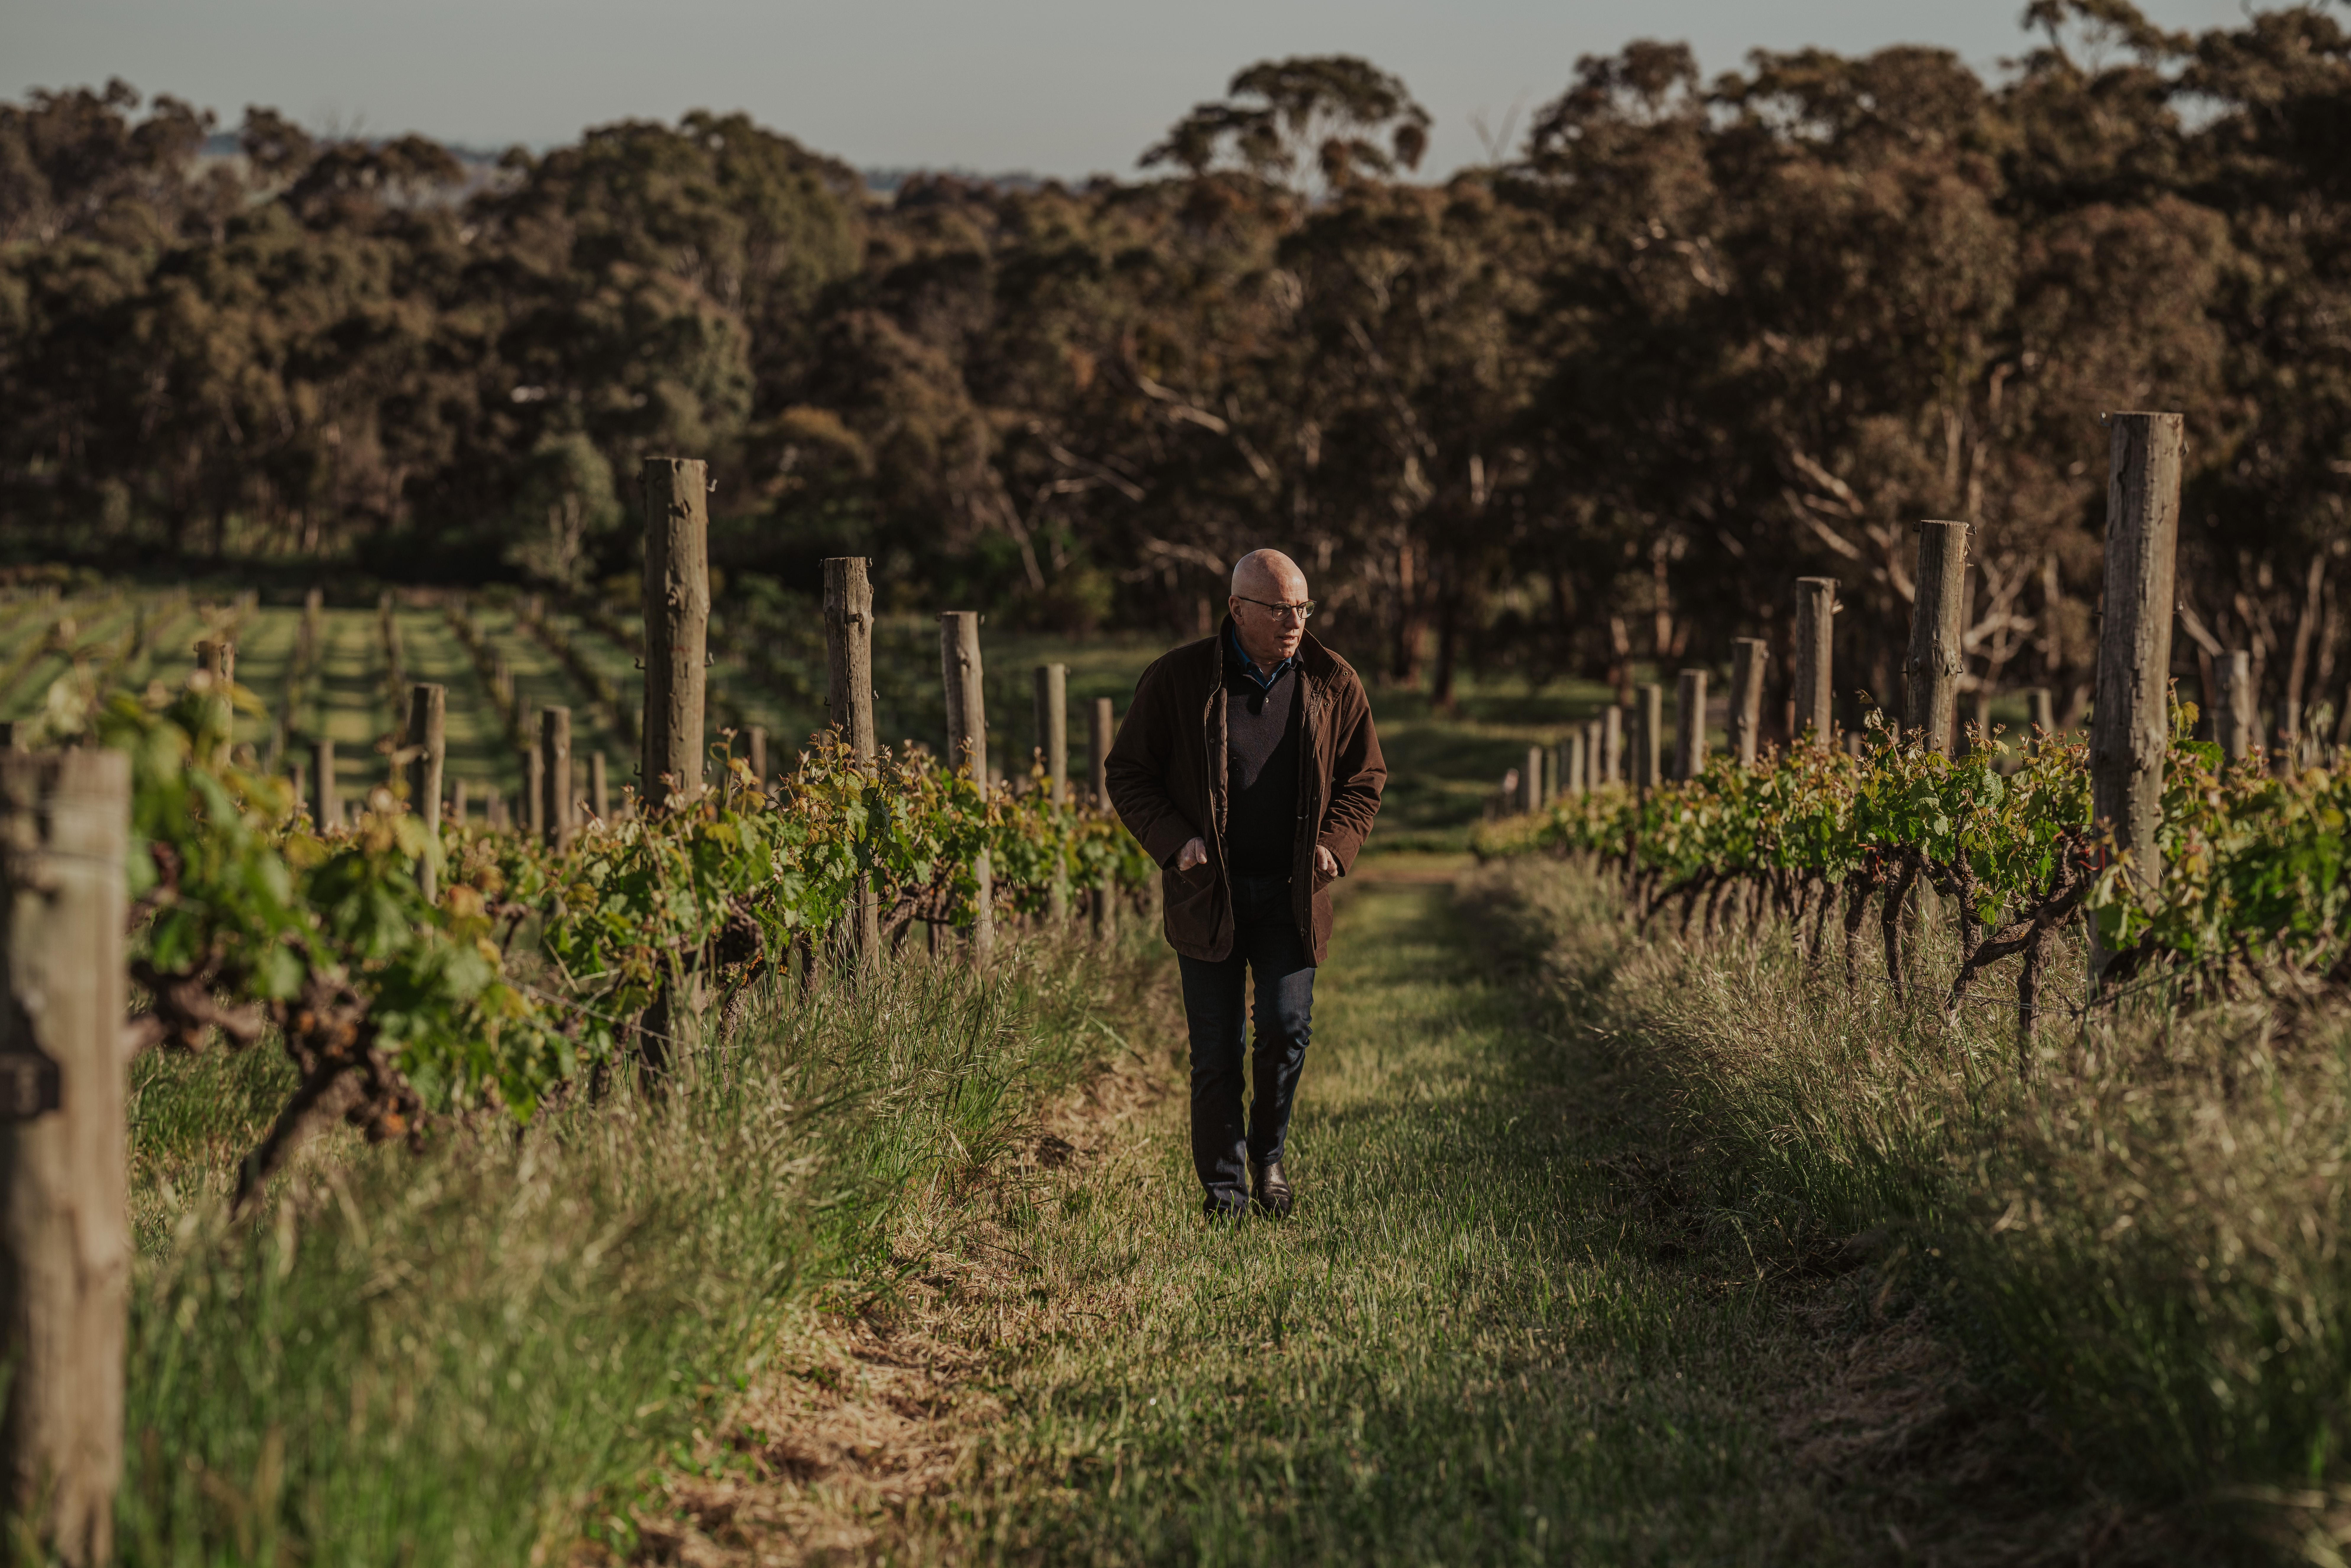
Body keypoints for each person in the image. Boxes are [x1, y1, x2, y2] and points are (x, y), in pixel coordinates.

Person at [1104, 549, 1387, 1220]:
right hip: (1210, 894)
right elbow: (1128, 774)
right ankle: (1226, 1194)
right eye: (1280, 608)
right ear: (1237, 609)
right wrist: (1176, 844)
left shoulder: (1332, 680)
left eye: (1303, 607)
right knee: (1217, 1051)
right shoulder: (1177, 679)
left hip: (1293, 896)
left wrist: (1334, 846)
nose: (1295, 621)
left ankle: (1267, 1156)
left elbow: (1364, 779)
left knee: (1287, 1031)